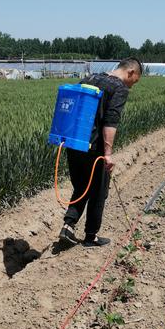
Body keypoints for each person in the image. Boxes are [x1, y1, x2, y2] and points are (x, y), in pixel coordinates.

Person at [59, 57, 142, 247]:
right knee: (99, 190)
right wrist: (108, 153)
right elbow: (110, 122)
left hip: (73, 142)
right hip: (94, 147)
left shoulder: (88, 79)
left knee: (82, 185)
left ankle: (68, 226)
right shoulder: (118, 88)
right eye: (134, 81)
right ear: (130, 72)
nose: (132, 86)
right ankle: (90, 236)